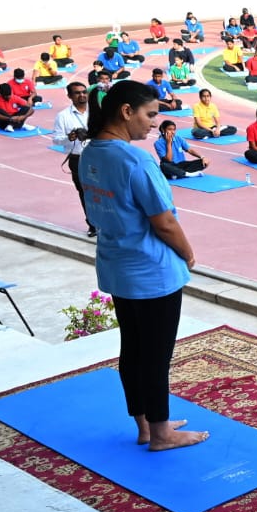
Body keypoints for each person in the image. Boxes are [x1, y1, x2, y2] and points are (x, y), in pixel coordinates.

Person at [78, 81, 206, 452]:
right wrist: (188, 252)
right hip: (151, 271)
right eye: (149, 115)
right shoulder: (135, 160)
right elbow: (163, 221)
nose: (153, 124)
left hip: (117, 266)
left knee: (132, 348)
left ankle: (146, 425)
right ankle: (162, 433)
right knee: (155, 355)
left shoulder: (91, 153)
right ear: (125, 111)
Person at [55, 81, 95, 236]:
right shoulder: (63, 116)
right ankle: (92, 224)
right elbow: (57, 139)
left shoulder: (96, 112)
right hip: (77, 159)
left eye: (84, 92)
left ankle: (108, 224)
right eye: (77, 93)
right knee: (84, 192)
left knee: (105, 191)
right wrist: (69, 137)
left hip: (98, 157)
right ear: (69, 96)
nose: (82, 95)